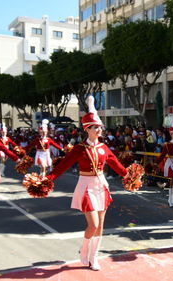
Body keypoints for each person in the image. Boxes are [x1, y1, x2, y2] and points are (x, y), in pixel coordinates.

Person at [46, 96, 134, 271]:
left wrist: (130, 176)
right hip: (86, 186)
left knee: (100, 225)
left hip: (101, 185)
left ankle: (94, 257)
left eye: (100, 127)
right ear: (88, 129)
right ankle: (84, 251)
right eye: (96, 127)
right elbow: (62, 166)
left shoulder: (104, 148)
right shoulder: (79, 149)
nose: (100, 129)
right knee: (92, 224)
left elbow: (117, 165)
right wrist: (47, 180)